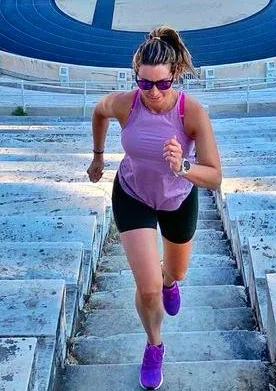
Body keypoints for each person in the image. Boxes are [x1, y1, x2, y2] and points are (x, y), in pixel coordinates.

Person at [88, 26, 222, 390]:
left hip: (177, 199)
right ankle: (154, 345)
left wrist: (182, 166)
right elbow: (98, 112)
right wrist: (99, 157)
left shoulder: (191, 112)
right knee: (147, 291)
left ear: (174, 76)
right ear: (136, 79)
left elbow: (214, 177)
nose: (153, 93)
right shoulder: (125, 103)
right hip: (133, 196)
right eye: (144, 84)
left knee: (174, 274)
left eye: (161, 84)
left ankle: (168, 279)